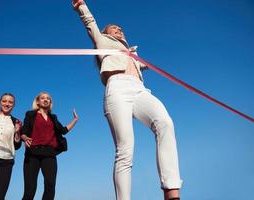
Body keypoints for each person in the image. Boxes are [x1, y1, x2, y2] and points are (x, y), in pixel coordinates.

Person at [72, 1, 182, 200]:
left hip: (140, 90)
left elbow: (141, 67)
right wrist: (81, 6)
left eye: (121, 28)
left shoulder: (132, 53)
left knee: (165, 123)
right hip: (117, 88)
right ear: (106, 33)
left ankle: (172, 191)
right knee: (125, 149)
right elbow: (90, 23)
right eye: (115, 27)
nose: (119, 29)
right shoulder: (103, 41)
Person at [21, 91, 78, 200]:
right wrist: (23, 137)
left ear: (50, 102)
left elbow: (63, 131)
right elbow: (25, 130)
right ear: (38, 102)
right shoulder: (30, 114)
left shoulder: (53, 117)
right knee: (30, 189)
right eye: (42, 98)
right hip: (33, 153)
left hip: (49, 154)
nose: (46, 100)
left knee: (50, 184)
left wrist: (75, 120)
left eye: (48, 98)